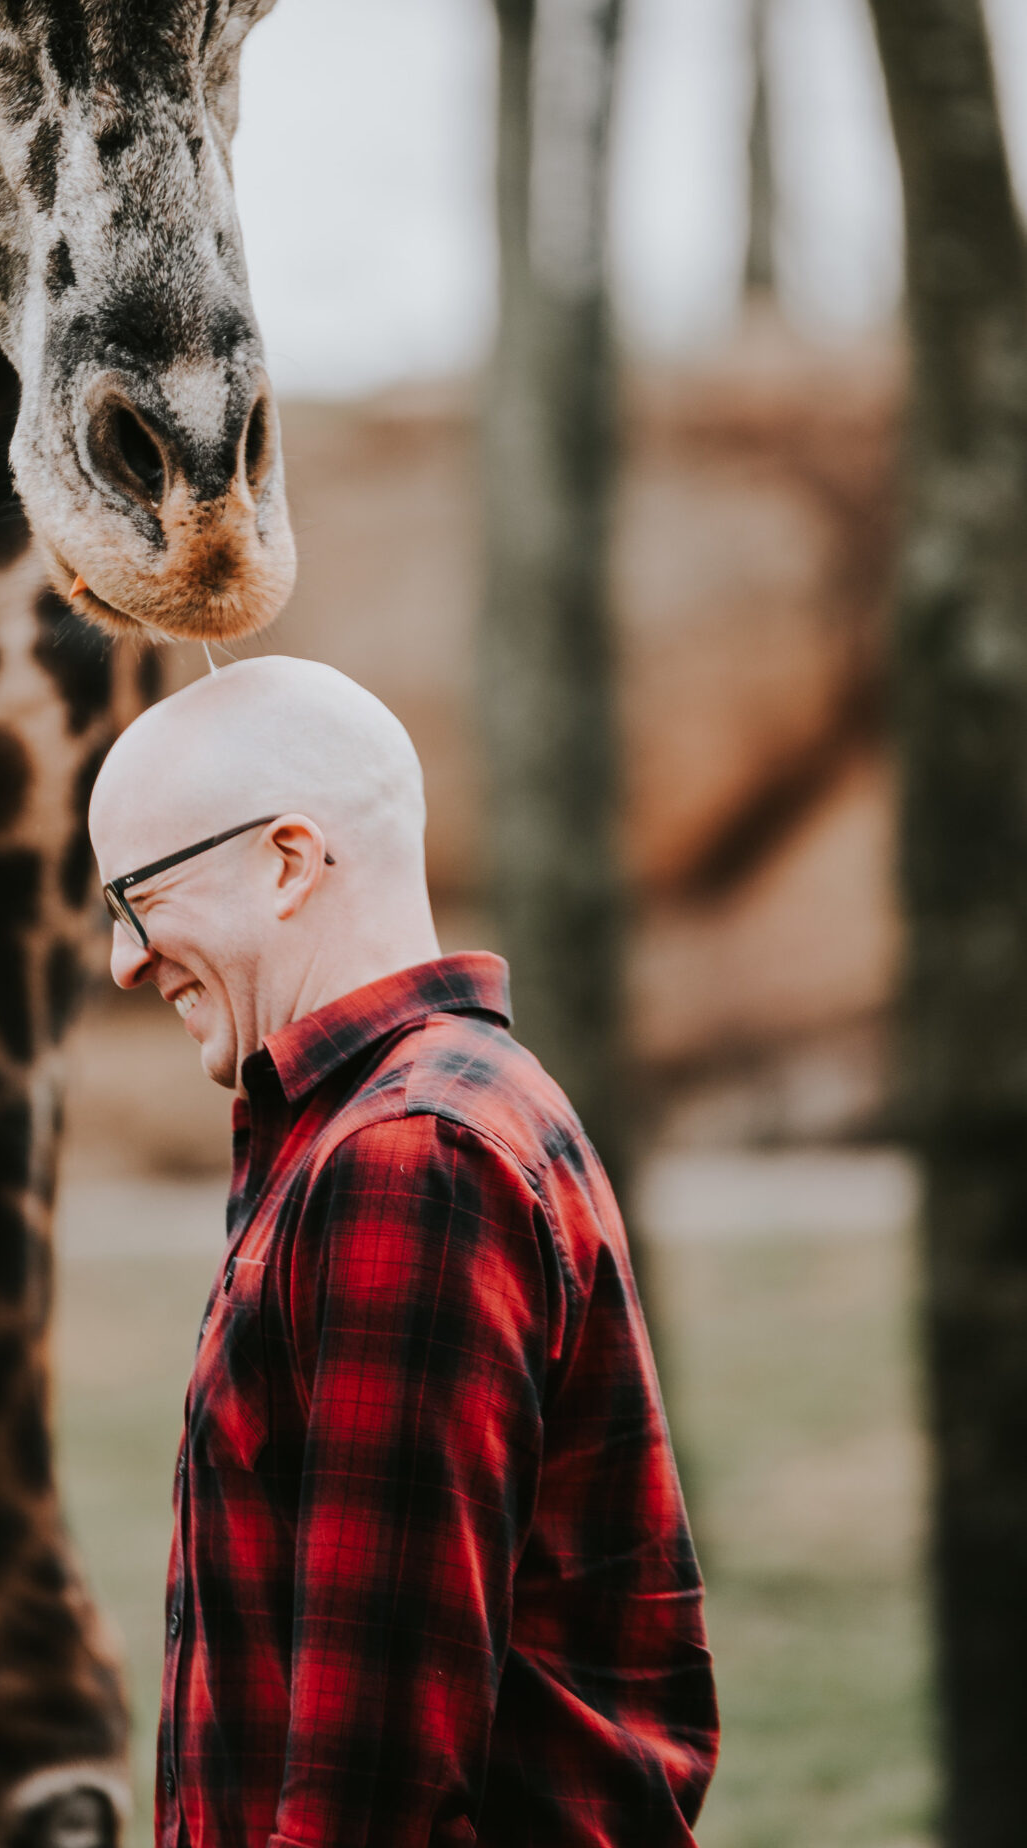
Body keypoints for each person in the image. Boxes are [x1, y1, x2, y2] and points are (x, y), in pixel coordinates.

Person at [88, 656, 718, 1848]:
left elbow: (369, 1786)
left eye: (136, 898)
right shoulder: (431, 1113)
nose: (124, 960)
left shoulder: (408, 1157)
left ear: (285, 860)